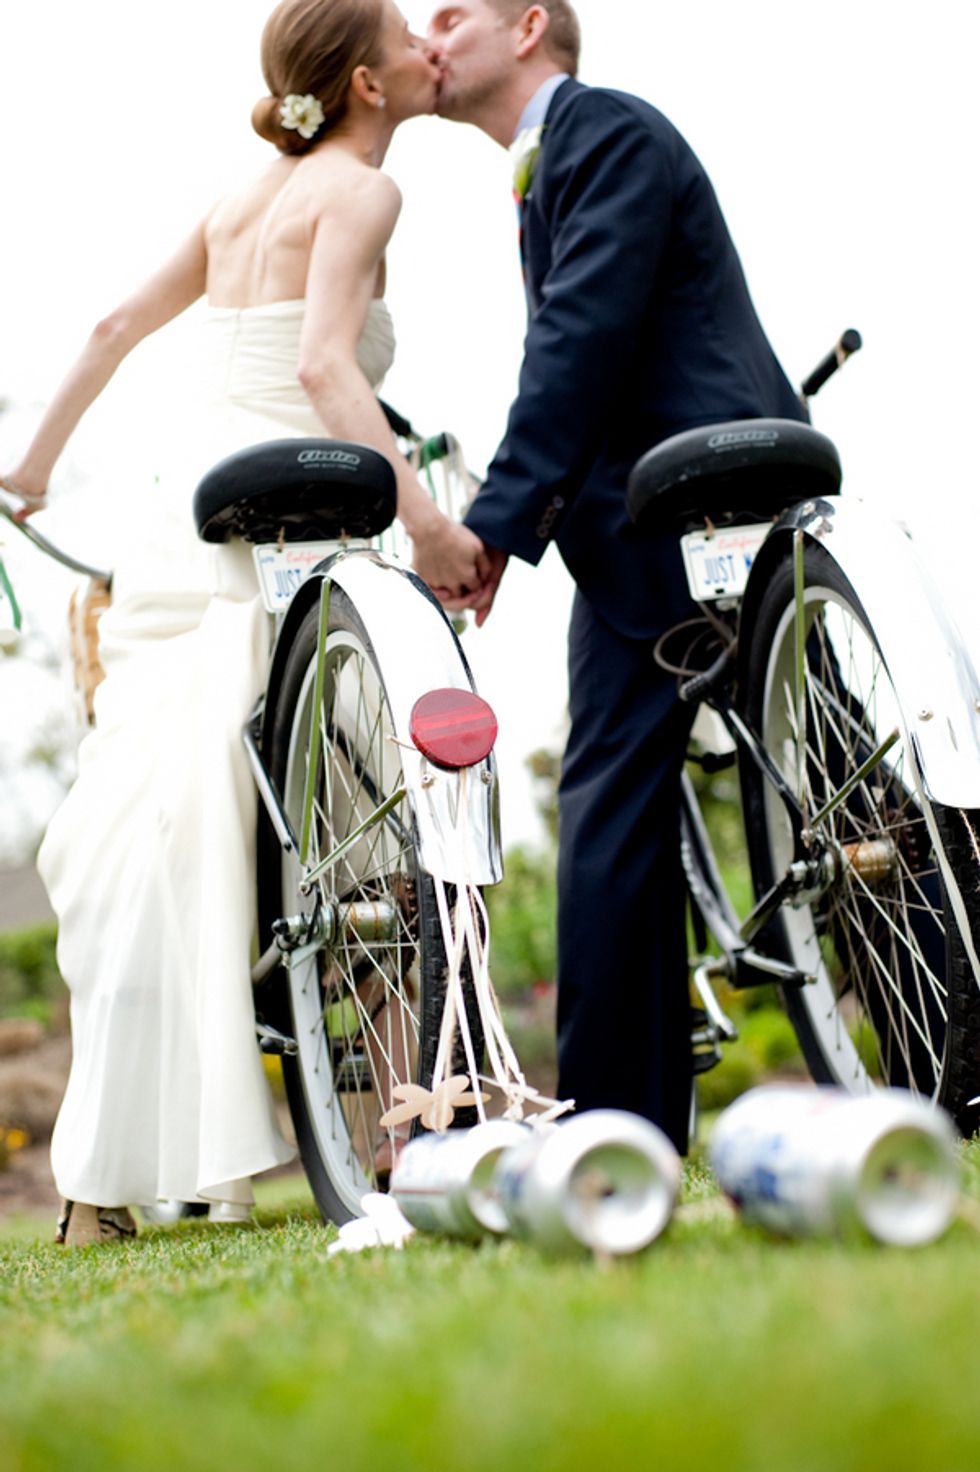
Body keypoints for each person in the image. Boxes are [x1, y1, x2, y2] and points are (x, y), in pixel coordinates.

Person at [1, 0, 483, 1245]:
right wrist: (426, 526)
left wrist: (31, 469)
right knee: (370, 803)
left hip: (190, 513)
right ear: (367, 85)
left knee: (162, 814)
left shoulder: (237, 198)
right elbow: (328, 367)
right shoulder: (363, 194)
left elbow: (114, 326)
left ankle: (102, 1178)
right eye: (407, 40)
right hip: (302, 500)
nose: (434, 49)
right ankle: (402, 1118)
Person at [424, 1, 809, 1153]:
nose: (428, 38)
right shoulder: (553, 164)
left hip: (706, 499)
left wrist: (492, 522)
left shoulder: (606, 131)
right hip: (635, 527)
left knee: (675, 801)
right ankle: (622, 1129)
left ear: (529, 25)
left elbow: (579, 338)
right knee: (612, 807)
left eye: (450, 13)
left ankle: (612, 1124)